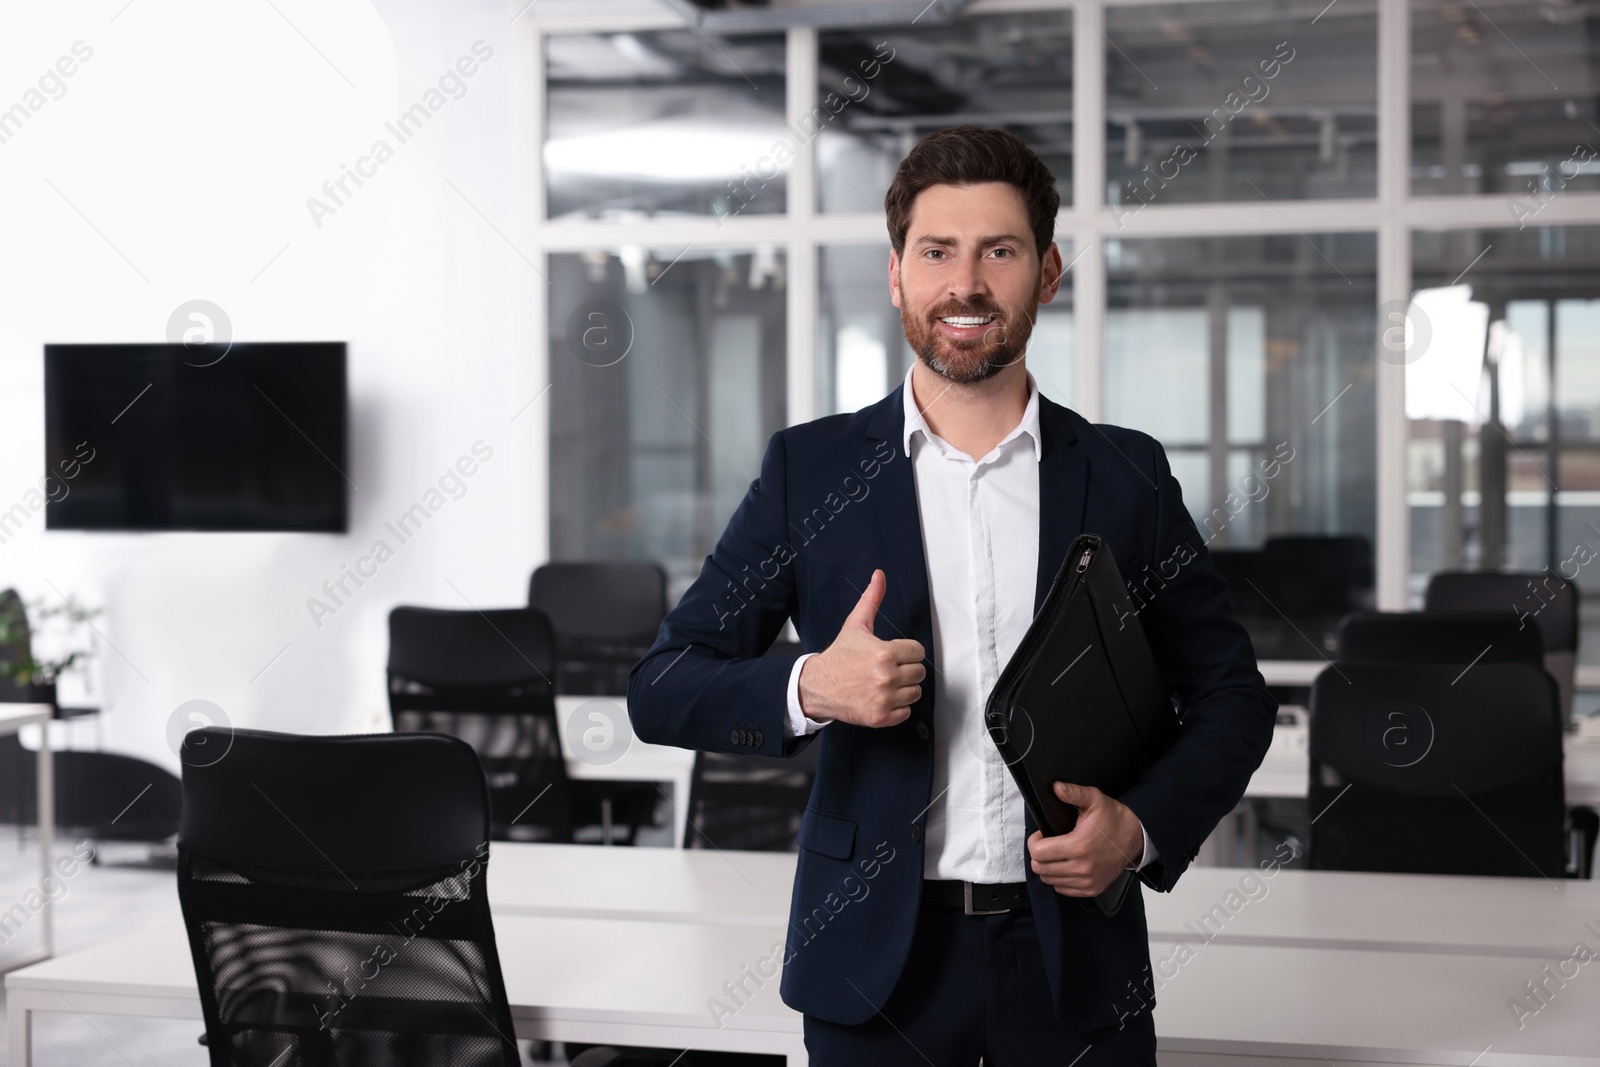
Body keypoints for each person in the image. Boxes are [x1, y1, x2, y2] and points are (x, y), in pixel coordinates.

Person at [628, 124, 1275, 1065]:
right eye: (937, 251)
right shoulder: (810, 472)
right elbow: (661, 684)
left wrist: (1138, 829)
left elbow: (1232, 699)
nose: (965, 283)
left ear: (1047, 272)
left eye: (998, 251)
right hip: (874, 964)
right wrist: (810, 687)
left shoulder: (1127, 475)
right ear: (896, 274)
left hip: (1075, 957)